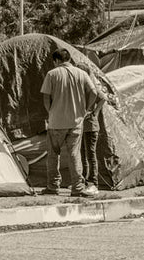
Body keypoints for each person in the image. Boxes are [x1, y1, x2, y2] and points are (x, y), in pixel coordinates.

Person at [40, 47, 99, 197]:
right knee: (74, 154)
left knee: (54, 154)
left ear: (57, 60)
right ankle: (77, 187)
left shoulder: (52, 74)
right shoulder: (82, 73)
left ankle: (53, 186)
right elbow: (94, 92)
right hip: (76, 122)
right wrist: (86, 109)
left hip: (56, 123)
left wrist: (51, 111)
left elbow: (46, 97)